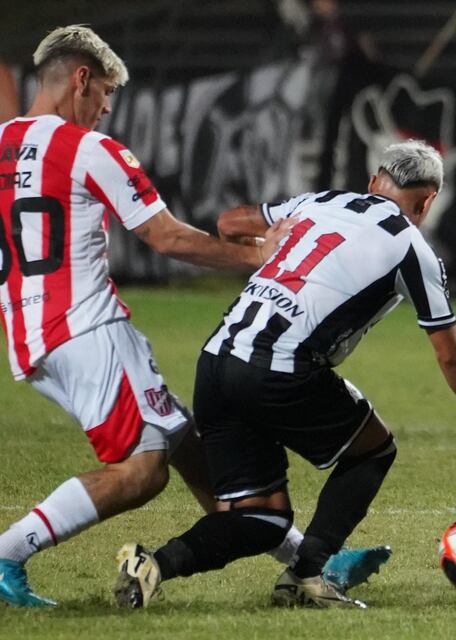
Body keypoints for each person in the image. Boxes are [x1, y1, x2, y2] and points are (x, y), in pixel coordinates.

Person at [113, 140, 456, 609]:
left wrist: (268, 246)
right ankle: (307, 575)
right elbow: (452, 353)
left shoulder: (320, 201)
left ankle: (152, 564)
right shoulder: (411, 247)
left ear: (373, 181)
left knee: (262, 519)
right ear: (426, 202)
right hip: (279, 369)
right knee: (373, 449)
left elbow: (229, 222)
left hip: (216, 361)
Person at [0, 25, 307, 608]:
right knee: (143, 471)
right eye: (106, 92)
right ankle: (8, 550)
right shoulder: (89, 149)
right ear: (81, 79)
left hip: (27, 337)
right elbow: (165, 237)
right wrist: (258, 257)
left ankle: (307, 557)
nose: (107, 107)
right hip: (87, 328)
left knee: (184, 439)